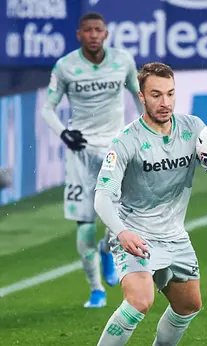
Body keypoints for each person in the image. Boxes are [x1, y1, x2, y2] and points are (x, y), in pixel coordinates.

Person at [54, 62, 207, 346]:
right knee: (140, 301)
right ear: (141, 97)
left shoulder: (193, 128)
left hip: (175, 236)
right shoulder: (126, 140)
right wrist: (121, 233)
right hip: (135, 233)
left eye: (170, 94)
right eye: (156, 94)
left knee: (189, 305)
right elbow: (102, 199)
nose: (165, 101)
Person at [41, 12, 143, 308]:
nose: (94, 35)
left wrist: (142, 131)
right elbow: (47, 109)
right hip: (80, 153)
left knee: (117, 216)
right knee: (85, 225)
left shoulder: (123, 61)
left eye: (99, 30)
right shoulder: (65, 67)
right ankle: (96, 289)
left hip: (115, 148)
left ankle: (109, 251)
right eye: (88, 30)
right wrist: (64, 133)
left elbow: (139, 97)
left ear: (106, 34)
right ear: (79, 35)